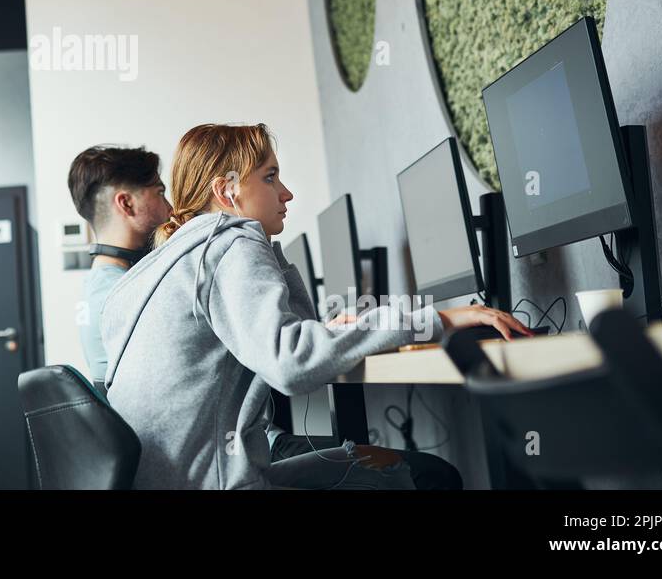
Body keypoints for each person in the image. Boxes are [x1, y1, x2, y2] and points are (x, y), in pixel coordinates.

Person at [100, 123, 531, 490]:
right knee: (430, 476)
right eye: (269, 177)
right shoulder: (227, 241)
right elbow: (293, 365)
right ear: (225, 191)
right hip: (218, 483)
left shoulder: (151, 270)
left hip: (186, 479)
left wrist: (282, 266)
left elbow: (294, 336)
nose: (286, 192)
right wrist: (437, 320)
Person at [67, 145, 171, 385]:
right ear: (126, 204)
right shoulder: (123, 292)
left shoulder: (97, 284)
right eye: (160, 193)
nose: (171, 208)